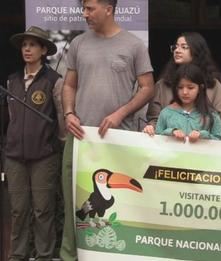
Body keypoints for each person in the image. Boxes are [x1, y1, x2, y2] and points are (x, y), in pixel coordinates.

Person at [60, 0, 155, 260]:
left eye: (90, 8)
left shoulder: (134, 44)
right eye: (84, 8)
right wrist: (69, 113)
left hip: (116, 142)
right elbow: (69, 85)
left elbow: (148, 87)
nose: (85, 14)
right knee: (73, 207)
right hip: (80, 138)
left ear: (109, 9)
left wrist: (119, 113)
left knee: (119, 211)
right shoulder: (79, 43)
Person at [5, 25, 64, 261]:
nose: (27, 49)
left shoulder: (54, 80)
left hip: (44, 156)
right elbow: (11, 118)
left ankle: (44, 256)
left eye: (32, 45)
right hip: (14, 157)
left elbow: (61, 117)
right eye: (24, 45)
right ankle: (17, 256)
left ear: (43, 50)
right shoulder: (12, 80)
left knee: (43, 210)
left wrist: (60, 147)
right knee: (19, 210)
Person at [144, 32, 221, 139]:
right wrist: (151, 128)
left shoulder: (213, 85)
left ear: (197, 51)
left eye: (184, 47)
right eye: (175, 47)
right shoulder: (163, 84)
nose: (177, 50)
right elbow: (155, 119)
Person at [155, 64, 221, 141]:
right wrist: (171, 132)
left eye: (190, 88)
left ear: (200, 88)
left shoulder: (211, 115)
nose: (185, 92)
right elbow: (157, 139)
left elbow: (219, 140)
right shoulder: (166, 113)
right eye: (180, 87)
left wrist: (203, 135)